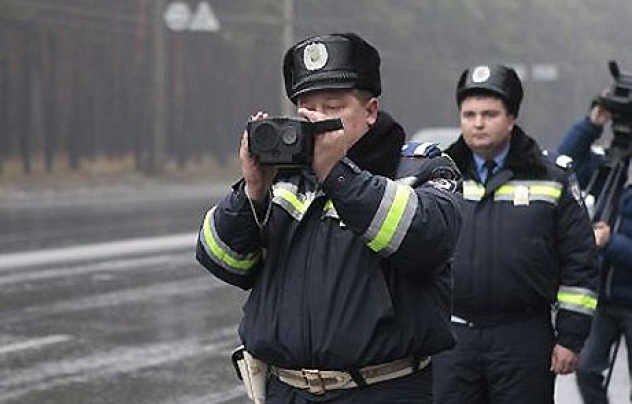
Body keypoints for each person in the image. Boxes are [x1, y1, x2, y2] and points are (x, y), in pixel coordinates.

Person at [195, 32, 463, 403]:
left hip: (380, 390)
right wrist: (252, 190)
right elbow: (223, 261)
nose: (316, 120)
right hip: (286, 391)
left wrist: (337, 173)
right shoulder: (285, 177)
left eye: (332, 108)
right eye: (306, 107)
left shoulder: (421, 167)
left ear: (369, 111)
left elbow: (427, 241)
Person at [433, 64, 599, 404]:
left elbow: (580, 260)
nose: (477, 123)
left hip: (523, 337)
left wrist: (570, 337)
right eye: (469, 114)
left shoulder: (551, 177)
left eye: (489, 114)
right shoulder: (438, 175)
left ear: (511, 118)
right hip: (452, 338)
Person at [557, 95, 632, 404]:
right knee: (586, 370)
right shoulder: (613, 166)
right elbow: (565, 160)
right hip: (603, 297)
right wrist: (592, 123)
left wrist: (609, 243)